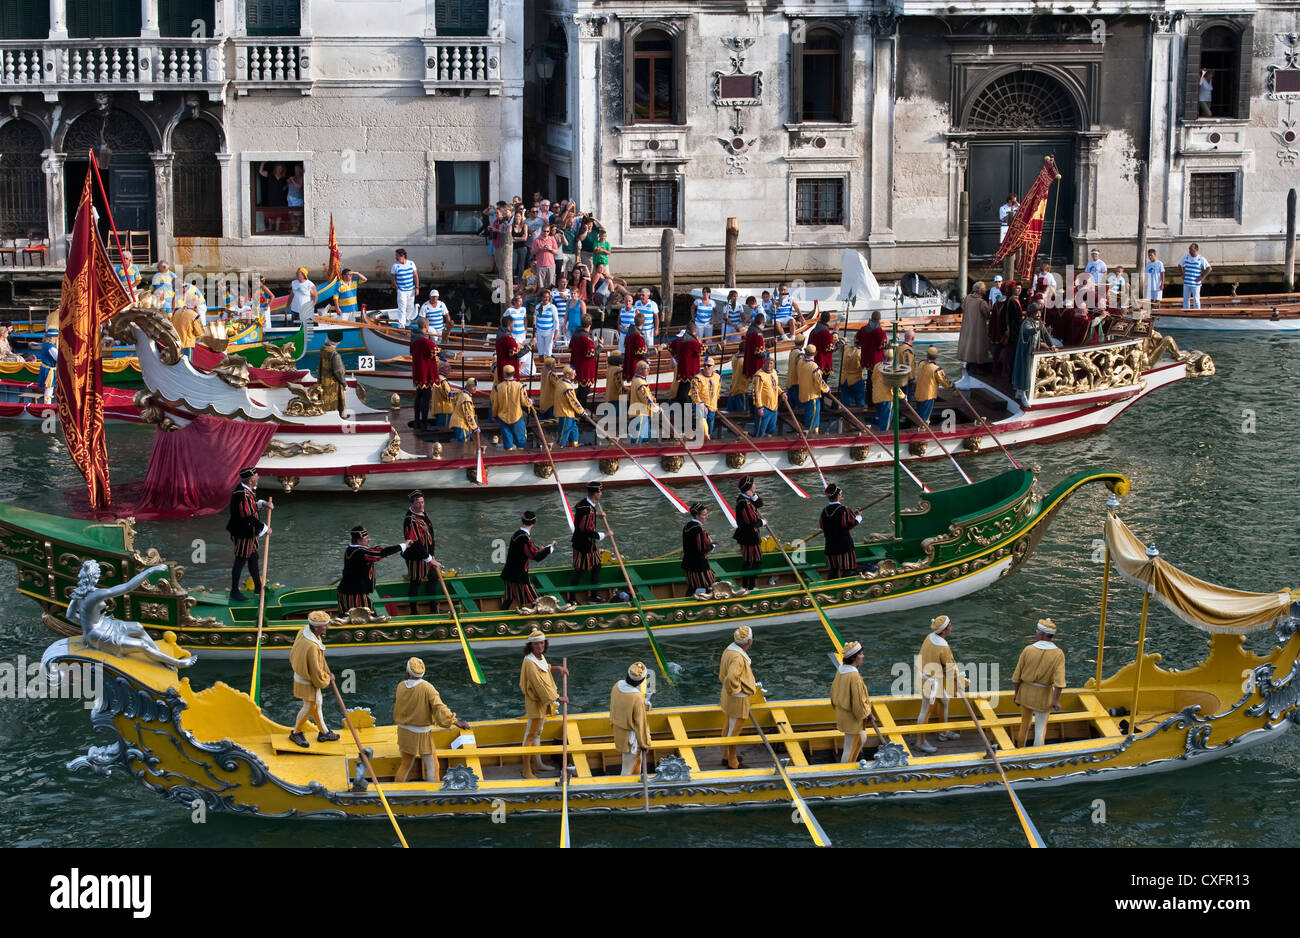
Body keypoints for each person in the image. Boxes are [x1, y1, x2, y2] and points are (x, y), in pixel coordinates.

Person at [394, 657, 470, 783]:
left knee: (405, 765)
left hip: (403, 732)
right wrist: (456, 722)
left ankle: (395, 791)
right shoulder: (427, 688)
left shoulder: (400, 686)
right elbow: (440, 708)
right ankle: (434, 792)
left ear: (407, 673)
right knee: (433, 766)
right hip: (421, 734)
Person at [519, 628, 568, 778]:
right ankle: (527, 770)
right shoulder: (529, 662)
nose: (540, 646)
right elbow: (539, 685)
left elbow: (544, 669)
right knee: (531, 735)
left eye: (542, 643)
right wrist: (558, 698)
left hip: (542, 702)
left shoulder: (539, 657)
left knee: (537, 732)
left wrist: (557, 668)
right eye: (537, 644)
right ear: (531, 646)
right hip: (536, 703)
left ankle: (538, 764)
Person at [1012, 618, 1066, 747]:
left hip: (1025, 693)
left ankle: (1020, 750)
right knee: (1040, 730)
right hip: (1043, 696)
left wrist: (1016, 694)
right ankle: (1037, 755)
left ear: (1041, 634)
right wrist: (1054, 700)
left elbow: (1016, 677)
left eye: (1037, 631)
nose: (1036, 633)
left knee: (1024, 726)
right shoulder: (1058, 654)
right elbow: (1059, 683)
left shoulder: (1028, 650)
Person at [288, 610, 338, 748]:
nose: (327, 628)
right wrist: (327, 678)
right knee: (310, 706)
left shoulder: (304, 631)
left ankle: (324, 732)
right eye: (324, 626)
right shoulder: (312, 646)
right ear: (316, 627)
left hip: (302, 675)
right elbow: (316, 673)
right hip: (308, 680)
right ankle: (296, 732)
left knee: (316, 705)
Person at [915, 615, 962, 753]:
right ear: (944, 630)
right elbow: (950, 667)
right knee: (925, 710)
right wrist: (958, 683)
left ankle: (944, 732)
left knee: (945, 700)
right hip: (930, 681)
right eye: (950, 625)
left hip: (928, 676)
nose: (952, 627)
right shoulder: (943, 647)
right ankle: (920, 741)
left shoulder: (929, 637)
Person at [338, 524, 408, 613]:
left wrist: (379, 552)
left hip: (345, 591)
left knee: (348, 614)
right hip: (355, 594)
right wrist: (403, 545)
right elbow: (381, 553)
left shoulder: (350, 549)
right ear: (359, 540)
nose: (369, 539)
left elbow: (373, 551)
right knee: (360, 617)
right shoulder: (361, 553)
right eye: (366, 538)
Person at [226, 467, 271, 602]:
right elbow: (247, 516)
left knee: (253, 558)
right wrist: (264, 528)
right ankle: (234, 591)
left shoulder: (247, 490)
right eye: (257, 476)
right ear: (251, 480)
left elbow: (251, 507)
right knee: (240, 560)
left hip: (250, 532)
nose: (258, 478)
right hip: (243, 533)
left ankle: (258, 587)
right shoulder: (242, 494)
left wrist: (263, 504)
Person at [718, 626, 757, 769]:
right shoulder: (738, 658)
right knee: (734, 731)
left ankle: (725, 755)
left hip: (727, 696)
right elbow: (732, 677)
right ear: (750, 641)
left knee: (728, 725)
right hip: (737, 698)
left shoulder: (729, 650)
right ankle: (732, 761)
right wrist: (736, 690)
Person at [502, 512, 557, 610]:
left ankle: (500, 616)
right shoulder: (525, 538)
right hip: (519, 575)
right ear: (533, 523)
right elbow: (536, 557)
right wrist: (550, 548)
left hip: (509, 573)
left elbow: (527, 551)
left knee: (509, 598)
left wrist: (539, 550)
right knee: (534, 598)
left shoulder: (517, 534)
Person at [831, 640, 873, 763]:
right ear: (854, 657)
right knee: (850, 746)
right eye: (861, 654)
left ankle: (852, 763)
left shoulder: (841, 669)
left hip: (843, 712)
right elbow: (858, 701)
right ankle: (845, 770)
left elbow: (833, 691)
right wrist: (867, 713)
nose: (863, 656)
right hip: (852, 715)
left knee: (861, 738)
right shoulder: (854, 676)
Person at [610, 661, 653, 776]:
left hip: (619, 732)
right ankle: (623, 791)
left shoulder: (617, 685)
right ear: (642, 681)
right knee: (627, 770)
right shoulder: (637, 697)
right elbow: (640, 723)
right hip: (631, 740)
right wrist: (645, 743)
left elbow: (623, 705)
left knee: (631, 765)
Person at [402, 490, 441, 614]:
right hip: (416, 556)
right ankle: (413, 611)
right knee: (416, 581)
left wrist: (432, 555)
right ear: (412, 504)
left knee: (433, 577)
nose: (421, 505)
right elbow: (416, 542)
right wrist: (429, 559)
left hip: (428, 554)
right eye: (418, 503)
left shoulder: (423, 513)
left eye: (423, 502)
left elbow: (431, 535)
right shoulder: (410, 520)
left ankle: (433, 609)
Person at [569, 481, 606, 603]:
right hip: (584, 546)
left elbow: (584, 518)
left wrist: (597, 515)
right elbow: (584, 530)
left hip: (587, 545)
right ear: (595, 493)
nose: (601, 494)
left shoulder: (584, 504)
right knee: (579, 570)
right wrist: (604, 534)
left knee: (597, 566)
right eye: (600, 492)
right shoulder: (588, 510)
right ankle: (572, 599)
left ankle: (593, 596)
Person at [820, 483, 861, 579]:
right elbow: (850, 524)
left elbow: (822, 526)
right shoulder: (844, 510)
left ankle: (831, 585)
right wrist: (859, 517)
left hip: (830, 545)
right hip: (844, 546)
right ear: (838, 495)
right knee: (848, 570)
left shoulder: (824, 511)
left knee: (833, 570)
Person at [733, 476, 765, 590]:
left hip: (751, 536)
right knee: (753, 561)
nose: (755, 486)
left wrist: (754, 495)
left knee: (754, 560)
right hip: (749, 536)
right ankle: (749, 586)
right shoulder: (744, 502)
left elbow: (760, 504)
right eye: (754, 484)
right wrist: (762, 522)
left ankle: (749, 585)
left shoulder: (748, 498)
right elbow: (752, 522)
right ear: (750, 486)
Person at [1012, 303, 1048, 402]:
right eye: (1037, 313)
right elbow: (1028, 331)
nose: (1039, 314)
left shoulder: (1038, 322)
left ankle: (1019, 392)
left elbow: (1045, 334)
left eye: (1039, 312)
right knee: (1025, 373)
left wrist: (1052, 345)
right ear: (1031, 313)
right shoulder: (1026, 323)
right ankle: (1023, 394)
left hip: (1033, 353)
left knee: (1029, 373)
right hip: (1025, 353)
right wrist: (1037, 329)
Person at [491, 364, 532, 451]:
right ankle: (520, 455)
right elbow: (525, 402)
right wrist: (531, 402)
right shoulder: (520, 386)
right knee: (521, 439)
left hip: (503, 417)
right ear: (514, 373)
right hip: (517, 416)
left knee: (507, 440)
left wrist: (494, 415)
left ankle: (509, 453)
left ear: (504, 374)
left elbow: (495, 404)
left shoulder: (498, 387)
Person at [682, 501, 716, 596]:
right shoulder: (698, 529)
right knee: (709, 585)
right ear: (697, 515)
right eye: (704, 514)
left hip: (688, 563)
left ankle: (686, 603)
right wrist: (712, 546)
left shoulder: (687, 526)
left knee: (692, 586)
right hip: (699, 565)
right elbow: (702, 549)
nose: (707, 517)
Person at [913, 347, 954, 424]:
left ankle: (919, 427)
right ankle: (923, 431)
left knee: (919, 415)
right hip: (928, 396)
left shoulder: (921, 364)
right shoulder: (936, 369)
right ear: (936, 357)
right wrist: (951, 385)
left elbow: (922, 361)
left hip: (918, 394)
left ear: (927, 355)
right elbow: (944, 382)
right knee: (925, 418)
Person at [409, 318, 437, 430]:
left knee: (418, 395)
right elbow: (435, 351)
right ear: (425, 326)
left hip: (417, 370)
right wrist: (455, 356)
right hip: (426, 371)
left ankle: (417, 421)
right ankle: (424, 423)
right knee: (425, 397)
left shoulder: (413, 339)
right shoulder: (425, 341)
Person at [795, 346, 829, 433]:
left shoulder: (800, 362)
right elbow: (819, 381)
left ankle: (816, 433)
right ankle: (809, 437)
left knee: (813, 417)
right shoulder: (814, 366)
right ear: (815, 353)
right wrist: (826, 389)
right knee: (812, 420)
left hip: (803, 394)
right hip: (812, 396)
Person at [957, 281, 991, 368]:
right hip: (977, 330)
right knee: (977, 346)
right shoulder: (982, 302)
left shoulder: (968, 298)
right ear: (979, 290)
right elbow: (987, 315)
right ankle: (977, 366)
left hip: (967, 327)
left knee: (968, 346)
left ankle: (968, 363)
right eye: (984, 288)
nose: (985, 290)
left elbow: (963, 307)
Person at [669, 320, 703, 405]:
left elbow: (670, 347)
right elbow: (703, 350)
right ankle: (686, 411)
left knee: (682, 390)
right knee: (688, 392)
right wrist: (719, 346)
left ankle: (681, 409)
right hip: (691, 371)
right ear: (694, 332)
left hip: (681, 370)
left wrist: (676, 357)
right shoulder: (693, 342)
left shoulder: (679, 340)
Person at [569, 314, 599, 410]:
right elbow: (592, 354)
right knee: (584, 393)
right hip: (586, 369)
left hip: (577, 365)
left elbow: (571, 348)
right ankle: (581, 412)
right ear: (590, 324)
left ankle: (579, 411)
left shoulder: (575, 335)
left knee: (581, 391)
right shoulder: (586, 338)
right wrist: (600, 346)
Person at [627, 360, 659, 444]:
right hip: (640, 414)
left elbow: (646, 395)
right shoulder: (640, 383)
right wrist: (656, 409)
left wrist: (652, 398)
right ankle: (634, 453)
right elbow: (646, 399)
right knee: (638, 438)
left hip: (643, 413)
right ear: (640, 370)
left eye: (649, 368)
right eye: (646, 368)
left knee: (645, 437)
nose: (648, 370)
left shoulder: (636, 379)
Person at [689, 355, 722, 439]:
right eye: (705, 365)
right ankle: (705, 435)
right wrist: (701, 404)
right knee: (702, 416)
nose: (706, 367)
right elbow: (694, 394)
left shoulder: (717, 377)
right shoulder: (697, 379)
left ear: (713, 367)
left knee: (711, 422)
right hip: (700, 404)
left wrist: (716, 402)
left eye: (709, 365)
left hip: (712, 405)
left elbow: (718, 390)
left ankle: (707, 435)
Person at [554, 365, 583, 446]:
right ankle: (560, 449)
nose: (575, 375)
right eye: (573, 373)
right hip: (566, 413)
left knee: (574, 431)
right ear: (567, 375)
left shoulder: (560, 381)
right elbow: (573, 401)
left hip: (569, 413)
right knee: (564, 433)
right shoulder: (567, 387)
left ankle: (574, 445)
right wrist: (582, 411)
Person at [317, 336, 347, 417]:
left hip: (322, 383)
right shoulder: (335, 354)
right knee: (333, 403)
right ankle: (336, 418)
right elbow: (339, 372)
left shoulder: (323, 349)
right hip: (333, 386)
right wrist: (344, 383)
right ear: (338, 342)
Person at [390, 248, 419, 327]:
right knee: (402, 308)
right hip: (401, 290)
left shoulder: (411, 263)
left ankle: (407, 322)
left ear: (402, 255)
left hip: (411, 290)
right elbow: (392, 278)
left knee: (410, 308)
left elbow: (415, 276)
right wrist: (397, 288)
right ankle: (401, 325)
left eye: (397, 255)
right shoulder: (395, 266)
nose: (395, 257)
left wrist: (417, 287)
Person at [1180, 243, 1211, 310]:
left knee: (1196, 300)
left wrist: (1202, 277)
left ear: (1196, 249)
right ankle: (1185, 312)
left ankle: (1196, 312)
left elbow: (1209, 268)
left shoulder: (1200, 258)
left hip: (1196, 284)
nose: (1189, 251)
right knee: (1185, 299)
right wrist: (1182, 274)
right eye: (1189, 249)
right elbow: (1180, 265)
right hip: (1187, 283)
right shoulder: (1186, 257)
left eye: (1191, 249)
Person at [871, 346, 895, 431]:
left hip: (877, 396)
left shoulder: (877, 365)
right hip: (887, 398)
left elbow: (873, 378)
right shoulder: (891, 369)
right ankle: (883, 436)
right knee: (886, 424)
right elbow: (894, 386)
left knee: (881, 418)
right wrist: (903, 396)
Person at [450, 377, 479, 443]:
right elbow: (468, 414)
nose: (475, 389)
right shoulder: (466, 398)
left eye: (476, 386)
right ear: (468, 387)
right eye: (473, 386)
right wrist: (475, 427)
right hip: (461, 424)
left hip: (459, 423)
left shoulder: (463, 394)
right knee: (464, 445)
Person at [809, 310, 837, 375]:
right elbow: (831, 349)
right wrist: (842, 342)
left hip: (813, 362)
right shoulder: (826, 334)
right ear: (829, 320)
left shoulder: (813, 331)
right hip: (823, 364)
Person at [622, 312, 649, 381]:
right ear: (643, 322)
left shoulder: (629, 335)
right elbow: (642, 354)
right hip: (637, 367)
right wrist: (656, 350)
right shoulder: (638, 337)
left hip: (629, 365)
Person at [494, 313, 521, 382]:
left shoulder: (500, 334)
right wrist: (530, 345)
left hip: (502, 367)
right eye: (513, 324)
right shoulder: (507, 337)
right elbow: (516, 354)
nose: (513, 325)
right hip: (509, 370)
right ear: (510, 324)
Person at [532, 225, 558, 291]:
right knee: (541, 285)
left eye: (547, 231)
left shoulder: (552, 239)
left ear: (549, 232)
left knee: (551, 285)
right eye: (544, 231)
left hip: (551, 265)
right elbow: (532, 252)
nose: (545, 233)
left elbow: (556, 251)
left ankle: (550, 299)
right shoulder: (536, 240)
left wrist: (550, 249)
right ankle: (541, 299)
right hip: (540, 265)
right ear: (541, 231)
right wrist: (538, 248)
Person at [838, 341, 865, 407]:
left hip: (844, 379)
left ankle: (845, 416)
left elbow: (838, 347)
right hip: (856, 380)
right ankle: (860, 414)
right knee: (860, 402)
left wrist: (836, 334)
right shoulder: (862, 353)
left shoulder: (846, 348)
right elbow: (865, 365)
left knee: (845, 403)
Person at [742, 312, 767, 380]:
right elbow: (759, 353)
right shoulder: (757, 335)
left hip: (749, 360)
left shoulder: (750, 330)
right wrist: (766, 353)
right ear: (763, 322)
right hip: (756, 364)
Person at [534, 290, 558, 359]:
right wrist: (534, 333)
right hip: (539, 332)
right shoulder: (538, 306)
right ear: (541, 297)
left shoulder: (552, 307)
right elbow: (535, 320)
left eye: (548, 297)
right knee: (540, 353)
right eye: (544, 297)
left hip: (549, 332)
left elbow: (556, 321)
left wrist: (556, 334)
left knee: (548, 352)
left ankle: (548, 368)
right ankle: (542, 367)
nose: (546, 299)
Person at [728, 349, 751, 414]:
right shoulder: (743, 361)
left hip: (733, 387)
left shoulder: (734, 357)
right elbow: (747, 375)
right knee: (743, 412)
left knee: (731, 411)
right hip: (741, 389)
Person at [897, 328, 917, 402]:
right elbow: (907, 365)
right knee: (908, 397)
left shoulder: (899, 347)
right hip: (906, 379)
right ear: (912, 338)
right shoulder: (907, 350)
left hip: (899, 376)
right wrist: (912, 379)